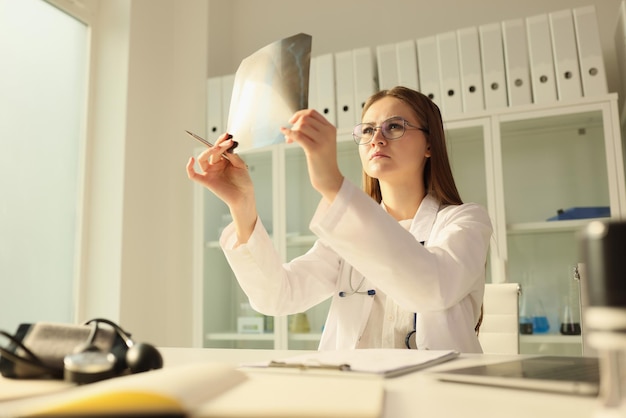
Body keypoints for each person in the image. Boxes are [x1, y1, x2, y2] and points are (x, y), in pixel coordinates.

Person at [186, 86, 492, 353]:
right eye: (369, 130)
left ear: (429, 145)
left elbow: (432, 288)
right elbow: (278, 297)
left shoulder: (465, 222)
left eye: (395, 127)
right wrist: (241, 203)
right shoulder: (349, 233)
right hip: (356, 396)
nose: (377, 139)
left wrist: (333, 183)